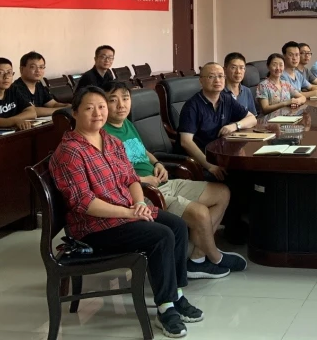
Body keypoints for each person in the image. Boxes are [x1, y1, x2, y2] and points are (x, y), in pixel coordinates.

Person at [50, 86, 203, 337]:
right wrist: (130, 213)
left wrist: (140, 204)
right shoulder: (70, 152)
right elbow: (84, 203)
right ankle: (165, 308)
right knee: (161, 235)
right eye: (89, 108)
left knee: (176, 225)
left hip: (124, 213)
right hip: (94, 227)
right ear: (74, 113)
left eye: (101, 107)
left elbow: (131, 178)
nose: (98, 113)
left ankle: (176, 294)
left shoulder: (111, 141)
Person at [102, 82, 246, 278]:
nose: (121, 105)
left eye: (125, 99)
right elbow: (110, 176)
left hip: (161, 181)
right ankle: (216, 257)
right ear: (103, 104)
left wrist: (157, 163)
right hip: (143, 192)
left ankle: (197, 259)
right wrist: (145, 179)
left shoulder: (126, 123)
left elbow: (142, 151)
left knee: (222, 193)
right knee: (200, 213)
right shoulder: (103, 134)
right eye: (113, 100)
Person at [178, 63, 257, 182]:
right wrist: (210, 166)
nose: (217, 80)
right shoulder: (192, 106)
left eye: (220, 76)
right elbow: (185, 142)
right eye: (211, 77)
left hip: (220, 155)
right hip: (199, 160)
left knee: (251, 170)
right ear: (201, 81)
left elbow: (252, 118)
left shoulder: (226, 98)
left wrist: (235, 125)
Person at [0, 57, 37, 130]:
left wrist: (13, 120)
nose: (6, 77)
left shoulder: (13, 89)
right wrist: (13, 121)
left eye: (9, 72)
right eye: (0, 73)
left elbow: (32, 112)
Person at [12, 51, 69, 116]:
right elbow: (32, 111)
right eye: (33, 67)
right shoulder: (16, 88)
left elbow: (53, 104)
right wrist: (62, 110)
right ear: (21, 69)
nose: (38, 70)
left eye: (41, 67)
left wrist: (68, 106)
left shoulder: (39, 85)